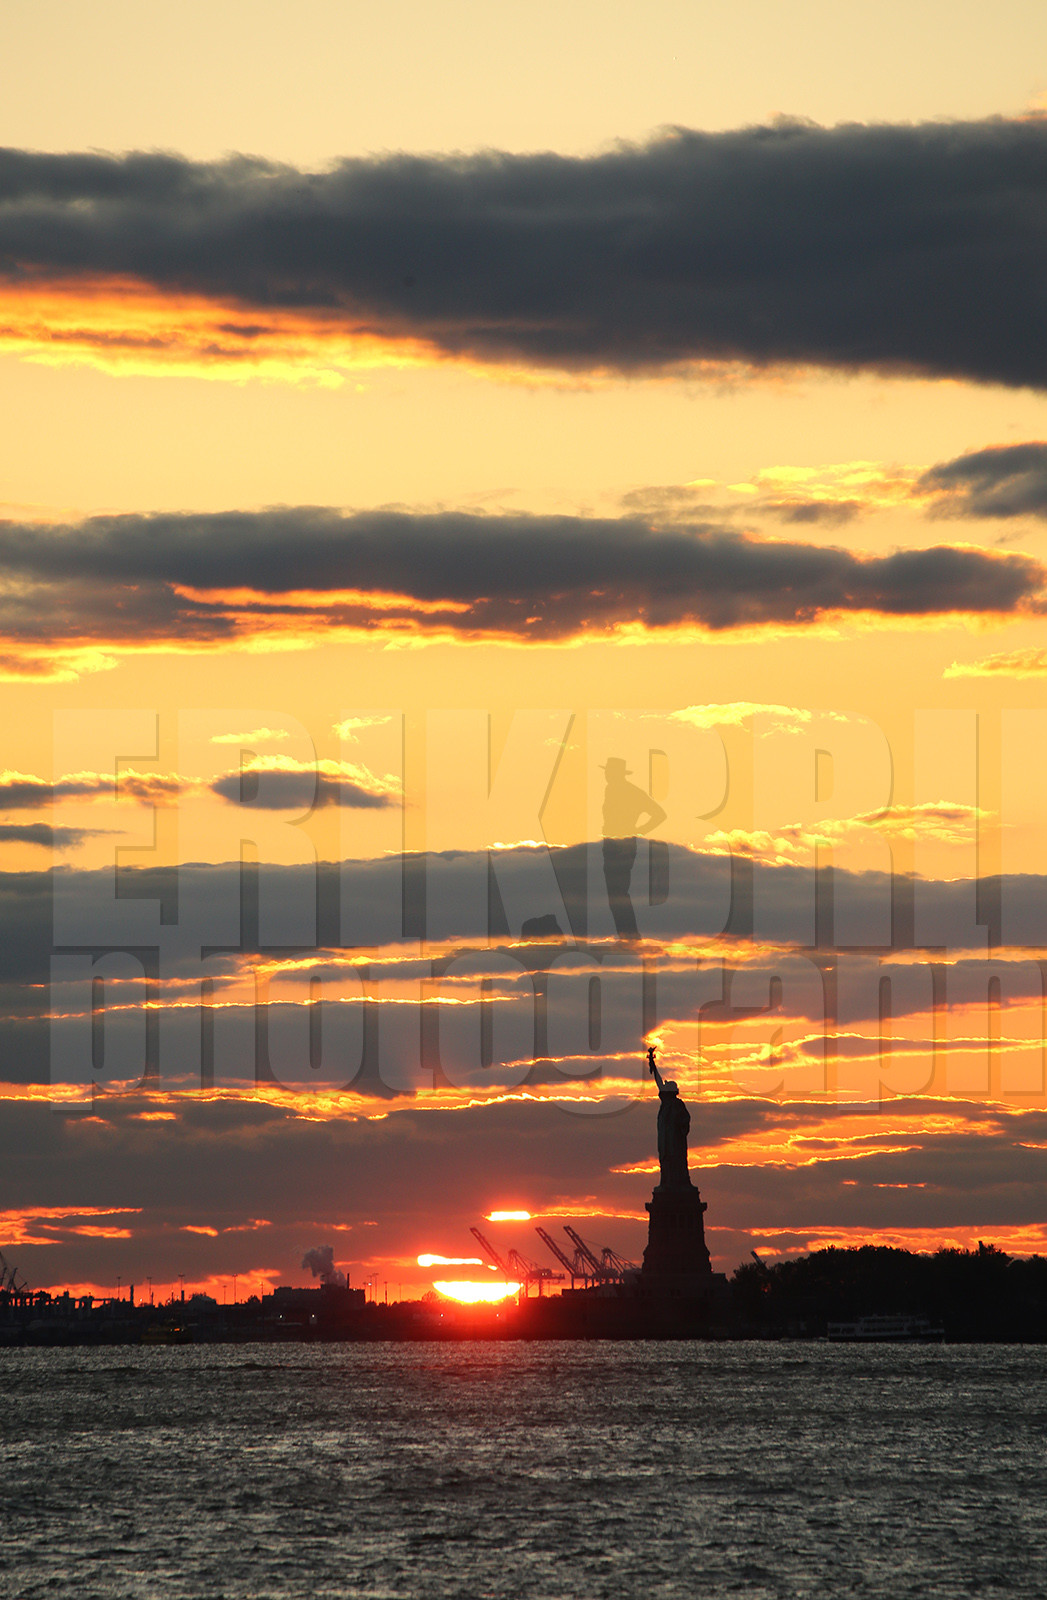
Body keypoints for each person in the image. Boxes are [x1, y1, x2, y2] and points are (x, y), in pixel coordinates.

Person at [600, 757, 667, 940]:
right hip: (611, 845)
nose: (607, 775)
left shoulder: (631, 792)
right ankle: (626, 936)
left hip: (622, 846)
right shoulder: (610, 790)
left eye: (610, 771)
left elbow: (659, 814)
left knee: (618, 892)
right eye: (607, 771)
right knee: (614, 893)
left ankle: (629, 936)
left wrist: (638, 830)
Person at [647, 1045, 691, 1190]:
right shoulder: (666, 1104)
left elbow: (685, 1122)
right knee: (666, 1161)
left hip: (675, 1143)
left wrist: (679, 1127)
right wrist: (653, 1063)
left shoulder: (677, 1105)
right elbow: (658, 1081)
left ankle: (677, 1184)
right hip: (665, 1142)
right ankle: (666, 1182)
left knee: (675, 1162)